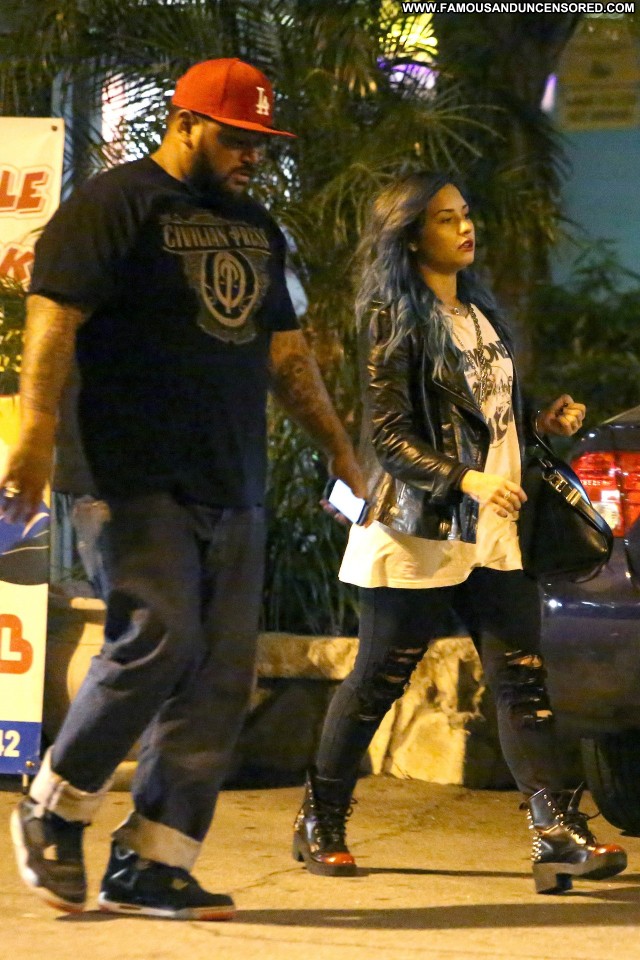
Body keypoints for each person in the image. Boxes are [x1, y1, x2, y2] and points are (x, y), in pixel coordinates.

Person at [1, 57, 365, 920]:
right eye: (236, 139)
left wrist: (344, 456)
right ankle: (55, 807)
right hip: (128, 473)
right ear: (186, 123)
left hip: (231, 478)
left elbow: (285, 353)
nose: (251, 156)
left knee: (219, 676)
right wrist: (35, 435)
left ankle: (155, 863)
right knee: (158, 636)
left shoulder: (257, 226)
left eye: (261, 143)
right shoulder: (115, 203)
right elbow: (53, 316)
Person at [292, 170, 627, 895]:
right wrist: (467, 480)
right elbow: (390, 438)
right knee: (378, 678)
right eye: (446, 218)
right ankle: (321, 817)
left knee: (522, 680)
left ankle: (556, 834)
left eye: (465, 214)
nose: (465, 227)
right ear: (411, 235)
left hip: (495, 526)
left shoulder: (478, 313)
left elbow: (485, 415)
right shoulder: (394, 315)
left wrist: (539, 423)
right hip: (423, 528)